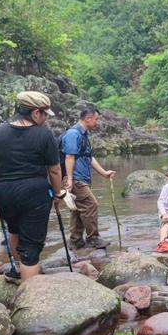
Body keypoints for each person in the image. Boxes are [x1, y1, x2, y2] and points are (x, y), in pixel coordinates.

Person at [0, 91, 62, 281]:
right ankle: (29, 294)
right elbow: (55, 170)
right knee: (31, 248)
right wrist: (58, 193)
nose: (45, 120)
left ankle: (20, 269)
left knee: (14, 229)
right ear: (35, 113)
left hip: (4, 193)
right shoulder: (44, 134)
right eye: (44, 115)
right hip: (34, 193)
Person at [60, 104, 116, 250]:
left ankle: (76, 240)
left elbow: (89, 158)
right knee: (91, 205)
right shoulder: (74, 134)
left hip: (82, 178)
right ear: (88, 118)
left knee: (79, 208)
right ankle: (93, 238)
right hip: (75, 178)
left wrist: (104, 173)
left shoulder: (83, 134)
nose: (97, 123)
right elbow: (69, 157)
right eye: (96, 119)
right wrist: (70, 180)